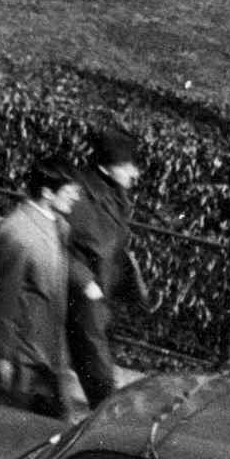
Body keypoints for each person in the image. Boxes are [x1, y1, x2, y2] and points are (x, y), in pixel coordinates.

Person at [0, 156, 80, 418]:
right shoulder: (18, 234)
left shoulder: (57, 225)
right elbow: (0, 301)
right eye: (70, 192)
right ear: (47, 193)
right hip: (21, 360)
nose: (75, 198)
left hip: (47, 356)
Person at [66, 125, 148, 410]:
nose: (134, 173)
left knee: (89, 361)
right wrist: (83, 279)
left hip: (101, 294)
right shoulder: (79, 196)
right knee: (96, 365)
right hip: (83, 296)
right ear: (105, 166)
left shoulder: (112, 194)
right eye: (127, 166)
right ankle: (109, 420)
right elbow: (54, 240)